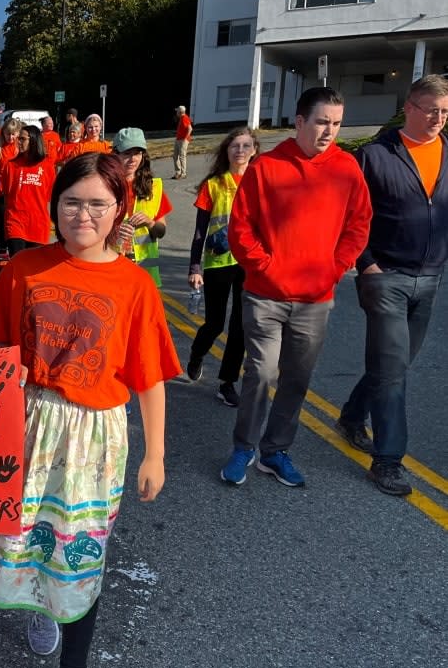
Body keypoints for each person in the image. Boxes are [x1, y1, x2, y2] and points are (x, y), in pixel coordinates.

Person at [0, 152, 179, 668]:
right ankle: (42, 607)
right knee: (25, 535)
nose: (83, 215)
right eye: (72, 202)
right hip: (31, 423)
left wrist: (156, 454)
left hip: (95, 433)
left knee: (80, 554)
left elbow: (149, 376)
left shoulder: (135, 284)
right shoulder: (24, 269)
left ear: (121, 207)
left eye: (98, 203)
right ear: (54, 205)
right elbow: (2, 353)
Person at [220, 87, 372, 488]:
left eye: (337, 123)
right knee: (261, 371)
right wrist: (266, 268)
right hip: (266, 294)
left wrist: (333, 270)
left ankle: (275, 451)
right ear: (300, 121)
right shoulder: (267, 166)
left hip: (315, 298)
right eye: (322, 121)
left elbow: (358, 227)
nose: (329, 131)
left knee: (297, 378)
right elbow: (240, 228)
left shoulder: (347, 169)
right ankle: (244, 447)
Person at [336, 74, 448, 497]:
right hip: (386, 277)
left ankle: (352, 415)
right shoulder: (376, 156)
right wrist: (366, 264)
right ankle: (388, 460)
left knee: (396, 365)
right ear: (410, 107)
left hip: (431, 276)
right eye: (431, 109)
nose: (438, 118)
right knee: (393, 373)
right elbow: (350, 215)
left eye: (445, 111)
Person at [184, 127, 259, 407]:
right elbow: (200, 231)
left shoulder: (259, 181)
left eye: (245, 146)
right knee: (215, 323)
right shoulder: (213, 184)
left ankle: (227, 382)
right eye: (234, 146)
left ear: (254, 150)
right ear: (226, 151)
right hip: (218, 262)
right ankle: (197, 353)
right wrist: (195, 266)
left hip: (249, 262)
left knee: (240, 326)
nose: (240, 151)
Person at [113, 128, 172, 286]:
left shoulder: (154, 187)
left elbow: (161, 231)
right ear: (115, 154)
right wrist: (114, 231)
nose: (133, 159)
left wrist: (150, 223)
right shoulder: (105, 186)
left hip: (145, 270)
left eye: (137, 153)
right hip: (113, 265)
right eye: (127, 153)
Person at [2, 125, 56, 255]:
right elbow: (7, 195)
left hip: (38, 223)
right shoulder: (10, 166)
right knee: (17, 264)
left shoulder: (48, 166)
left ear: (33, 140)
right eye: (18, 138)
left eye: (22, 139)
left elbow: (49, 196)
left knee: (33, 268)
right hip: (15, 222)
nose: (18, 141)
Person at [0, 118, 22, 252]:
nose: (11, 137)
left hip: (17, 194)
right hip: (0, 195)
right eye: (8, 134)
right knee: (2, 225)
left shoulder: (21, 150)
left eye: (13, 134)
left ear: (18, 133)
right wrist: (0, 186)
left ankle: (16, 253)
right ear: (3, 133)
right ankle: (1, 253)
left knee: (15, 225)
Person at [173, 106, 194, 179]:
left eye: (177, 111)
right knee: (175, 156)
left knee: (182, 156)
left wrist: (185, 139)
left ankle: (183, 173)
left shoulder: (185, 118)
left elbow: (190, 128)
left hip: (182, 140)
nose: (176, 113)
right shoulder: (181, 118)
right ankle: (178, 172)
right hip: (178, 139)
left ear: (180, 112)